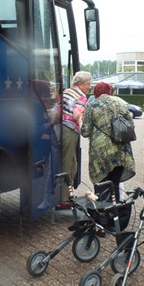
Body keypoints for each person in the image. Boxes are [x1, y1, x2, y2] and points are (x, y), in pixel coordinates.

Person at [81, 82, 136, 200]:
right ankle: (115, 213)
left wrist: (80, 120)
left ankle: (103, 213)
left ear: (96, 92)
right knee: (115, 184)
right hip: (121, 150)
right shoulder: (120, 103)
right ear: (110, 91)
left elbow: (85, 132)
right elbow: (130, 124)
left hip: (101, 153)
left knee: (102, 184)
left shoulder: (92, 105)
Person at [58, 71, 92, 209]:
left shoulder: (67, 92)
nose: (90, 87)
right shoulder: (81, 96)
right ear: (81, 84)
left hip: (62, 129)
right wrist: (84, 127)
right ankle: (62, 199)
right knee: (68, 164)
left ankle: (67, 195)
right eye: (88, 84)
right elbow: (77, 114)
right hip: (71, 130)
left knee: (72, 163)